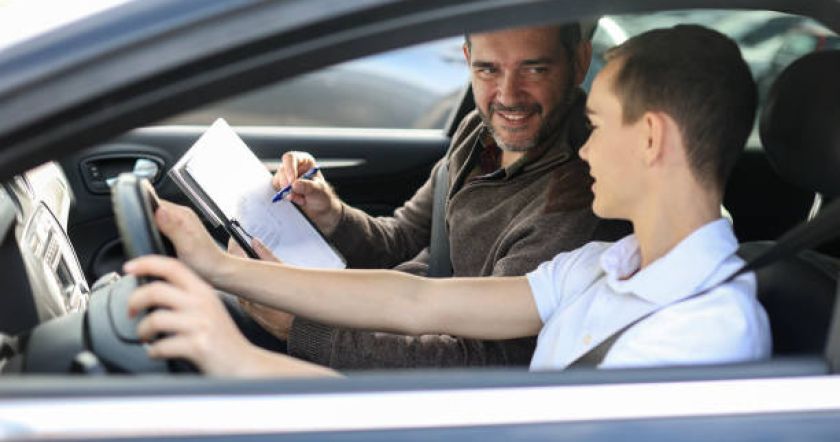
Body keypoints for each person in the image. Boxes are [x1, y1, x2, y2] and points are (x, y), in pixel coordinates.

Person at [126, 24, 772, 377]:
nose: (587, 148)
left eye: (597, 125)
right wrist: (219, 268)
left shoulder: (699, 336)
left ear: (651, 138)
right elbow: (417, 300)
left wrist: (242, 359)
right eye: (487, 69)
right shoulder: (605, 267)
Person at [226, 22, 628, 369]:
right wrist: (330, 214)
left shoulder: (581, 196)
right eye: (488, 69)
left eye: (534, 69)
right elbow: (402, 239)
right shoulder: (478, 133)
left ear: (579, 61)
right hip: (381, 325)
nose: (508, 95)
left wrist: (303, 331)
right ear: (467, 59)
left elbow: (485, 360)